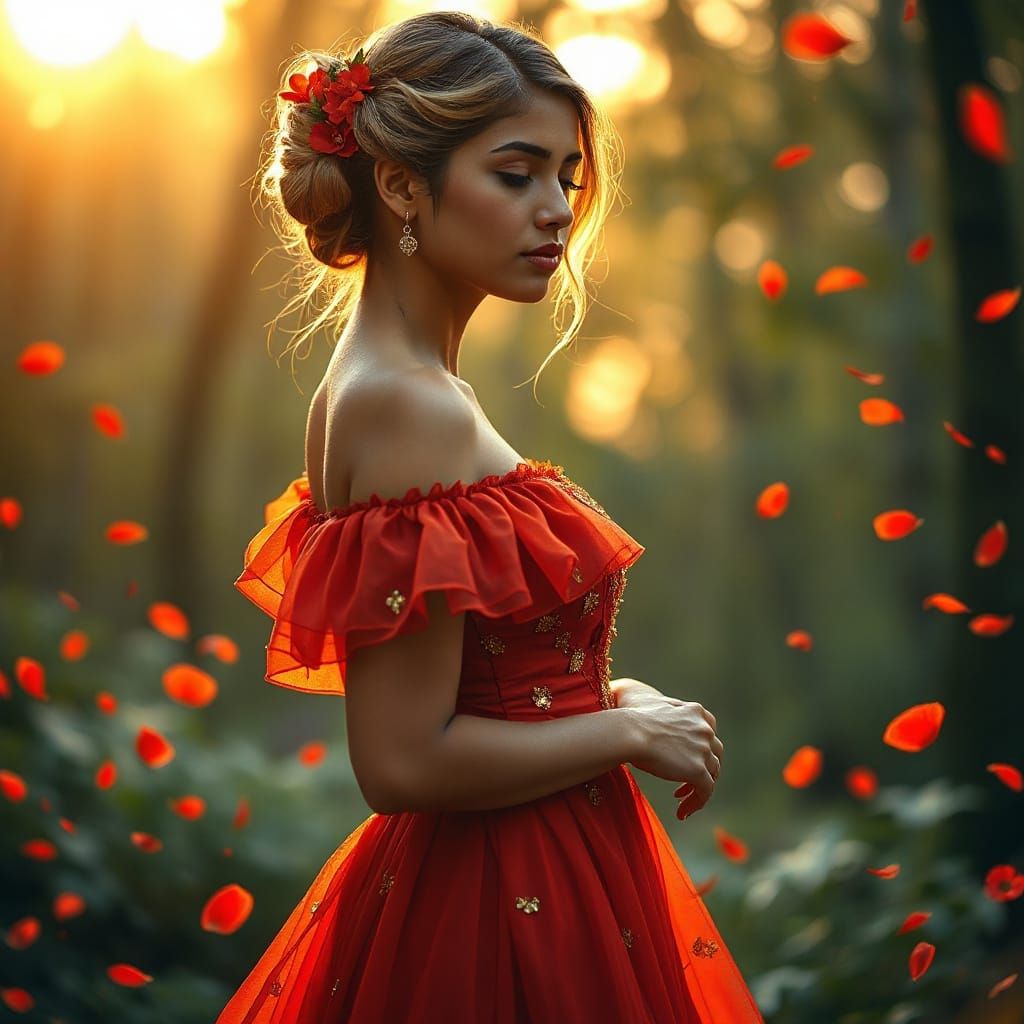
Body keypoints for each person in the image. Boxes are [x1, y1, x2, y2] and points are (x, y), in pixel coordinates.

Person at [217, 10, 764, 1022]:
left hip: (539, 860)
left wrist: (610, 701)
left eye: (567, 176)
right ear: (400, 185)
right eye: (515, 174)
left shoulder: (395, 387)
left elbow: (487, 683)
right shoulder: (404, 404)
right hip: (500, 903)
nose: (554, 208)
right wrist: (622, 730)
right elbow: (402, 758)